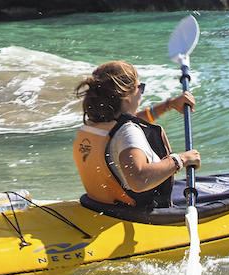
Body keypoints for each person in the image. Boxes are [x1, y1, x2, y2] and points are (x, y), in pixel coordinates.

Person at [71, 61, 198, 208]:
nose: (141, 92)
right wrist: (181, 160)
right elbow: (138, 180)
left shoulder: (92, 124)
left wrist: (169, 105)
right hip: (132, 215)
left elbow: (128, 121)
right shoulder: (127, 132)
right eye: (140, 87)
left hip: (97, 205)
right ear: (126, 95)